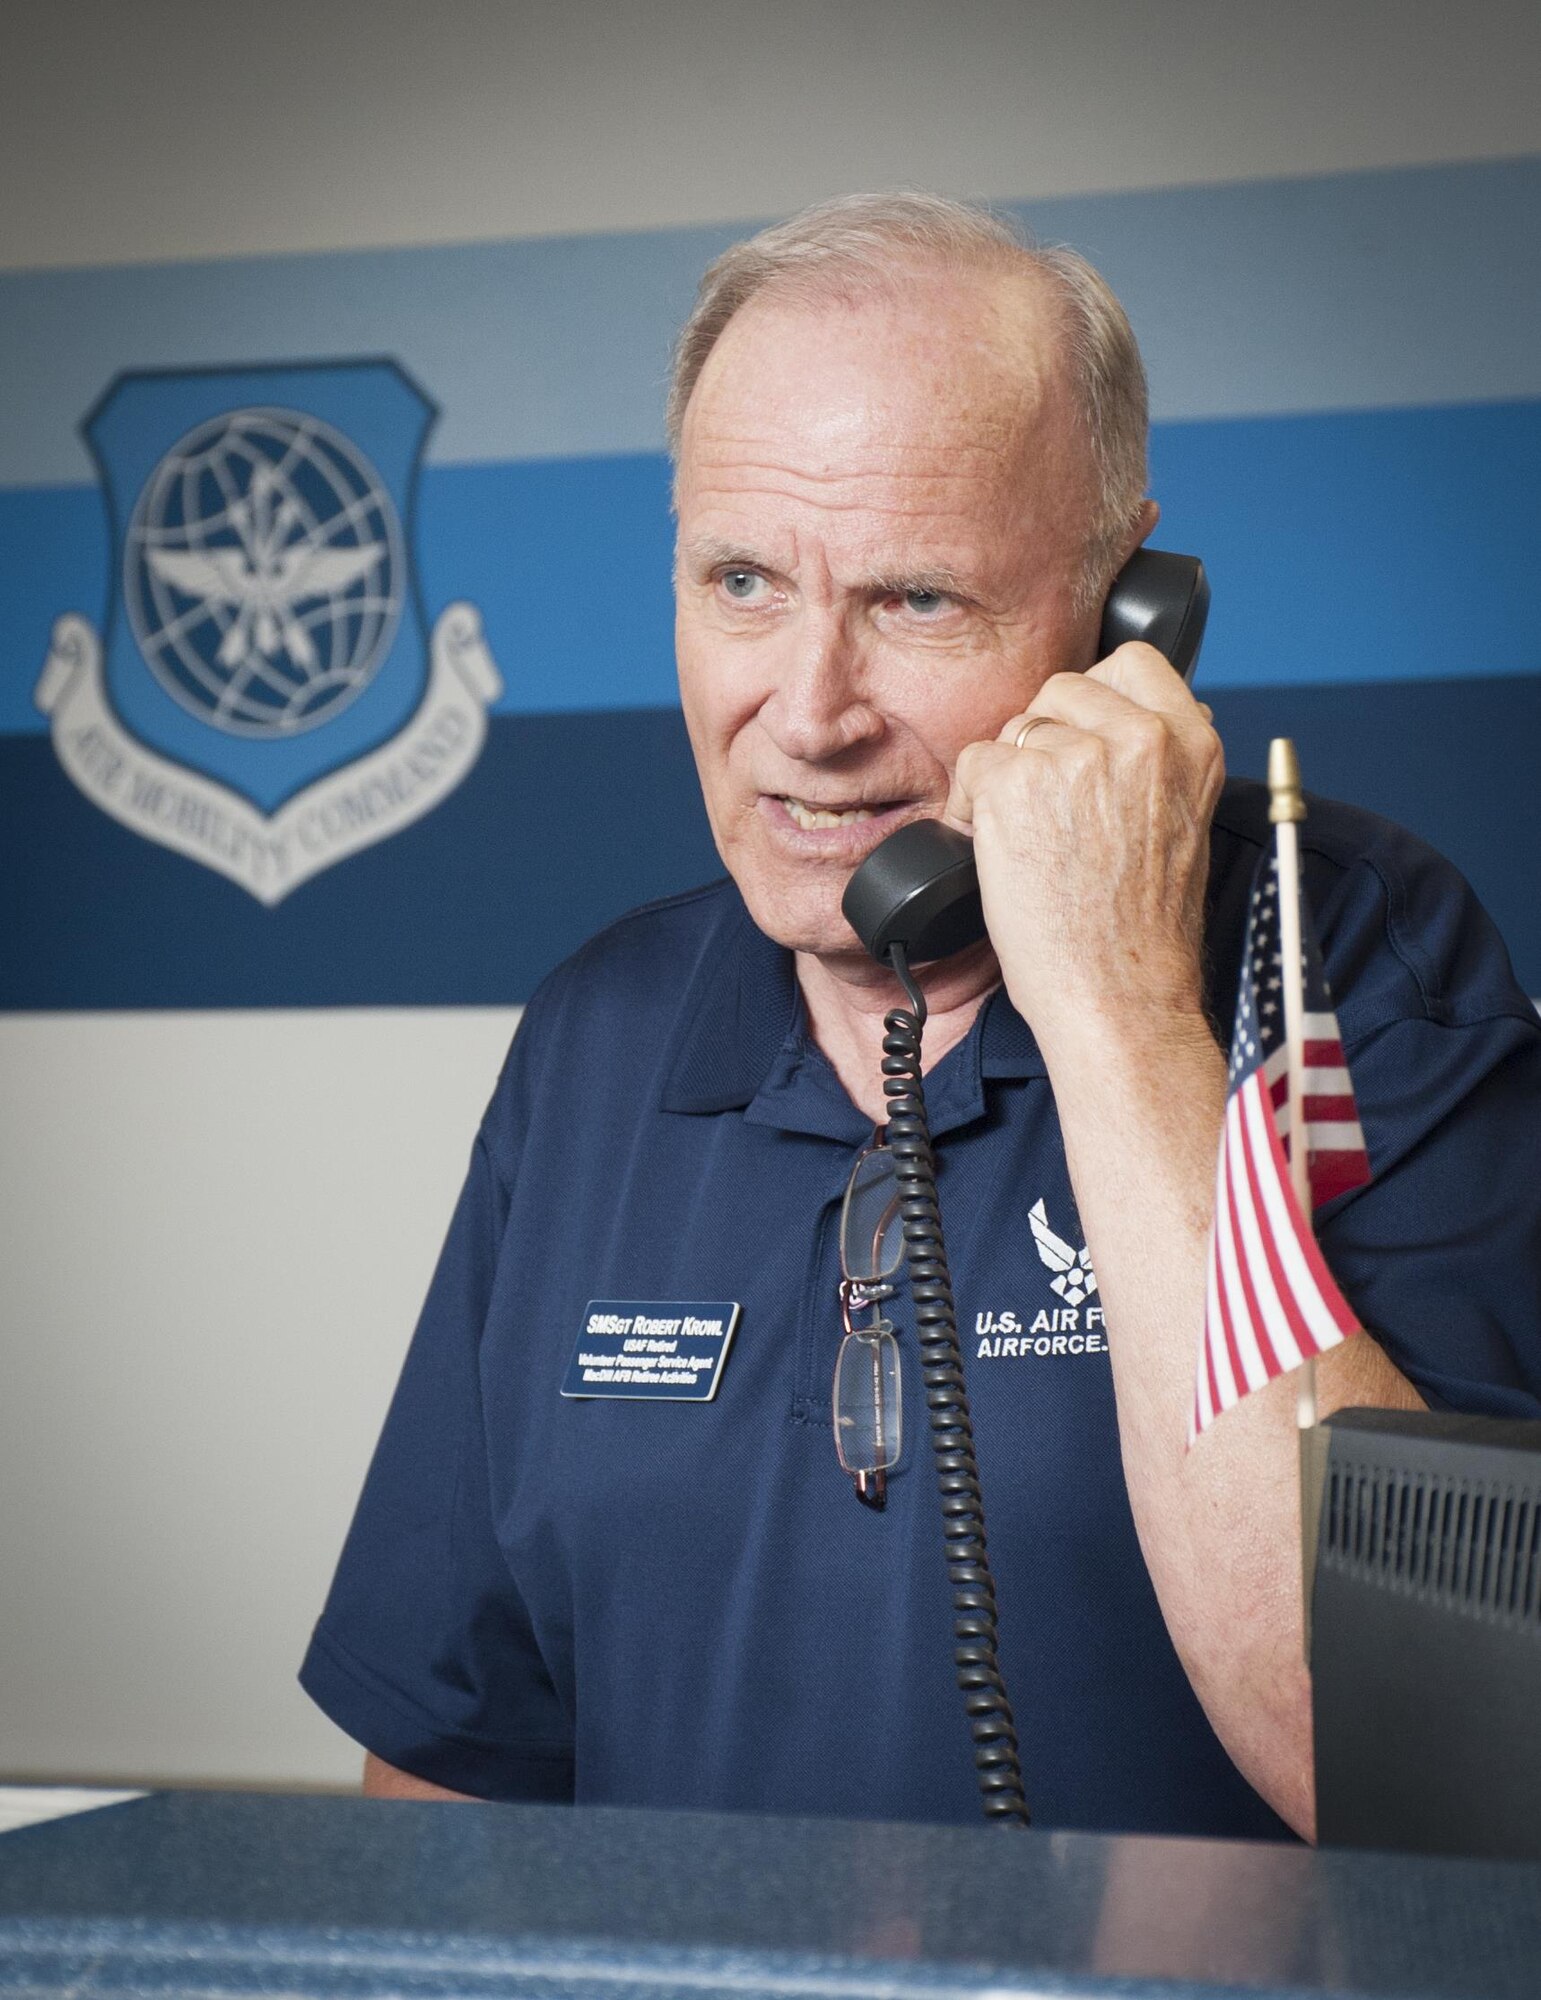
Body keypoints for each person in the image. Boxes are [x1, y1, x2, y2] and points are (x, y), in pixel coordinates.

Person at [301, 194, 1541, 1841]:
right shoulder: (594, 1038)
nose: (805, 716)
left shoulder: (1356, 962)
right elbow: (450, 1766)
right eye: (741, 580)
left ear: (1123, 620)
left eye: (914, 601)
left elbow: (1426, 1773)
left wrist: (1115, 1011)